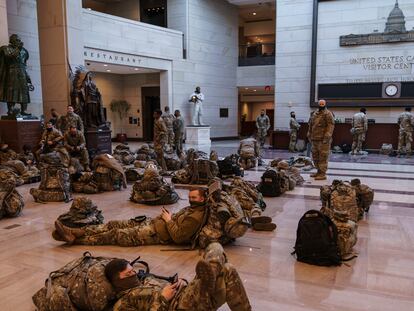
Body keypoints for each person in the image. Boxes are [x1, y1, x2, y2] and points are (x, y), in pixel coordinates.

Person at [110, 242, 251, 311]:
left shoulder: (144, 279)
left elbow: (170, 284)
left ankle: (211, 273)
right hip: (180, 307)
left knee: (215, 247)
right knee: (226, 268)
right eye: (128, 273)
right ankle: (211, 274)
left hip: (188, 295)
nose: (134, 274)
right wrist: (163, 299)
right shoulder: (123, 304)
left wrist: (182, 282)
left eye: (132, 270)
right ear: (117, 280)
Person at [52, 188, 208, 246]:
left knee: (116, 235)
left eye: (194, 197)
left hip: (156, 234)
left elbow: (179, 237)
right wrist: (170, 217)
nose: (190, 199)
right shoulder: (193, 209)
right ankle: (76, 231)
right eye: (190, 197)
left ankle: (77, 240)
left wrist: (168, 220)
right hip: (152, 223)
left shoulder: (195, 217)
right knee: (114, 224)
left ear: (202, 199)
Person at [0, 34, 34, 116]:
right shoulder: (6, 48)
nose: (19, 42)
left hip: (22, 72)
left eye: (19, 40)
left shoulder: (24, 51)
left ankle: (24, 110)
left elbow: (24, 64)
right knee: (11, 91)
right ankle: (10, 110)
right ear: (11, 41)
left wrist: (28, 78)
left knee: (24, 91)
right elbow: (9, 56)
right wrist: (18, 49)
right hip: (12, 72)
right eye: (17, 40)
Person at [307, 99, 335, 180]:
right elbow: (311, 124)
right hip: (314, 138)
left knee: (323, 156)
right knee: (315, 156)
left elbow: (331, 125)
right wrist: (309, 133)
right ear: (318, 104)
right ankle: (318, 171)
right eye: (320, 104)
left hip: (323, 140)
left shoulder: (328, 114)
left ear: (325, 104)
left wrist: (327, 136)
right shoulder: (314, 113)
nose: (321, 105)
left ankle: (322, 173)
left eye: (323, 104)